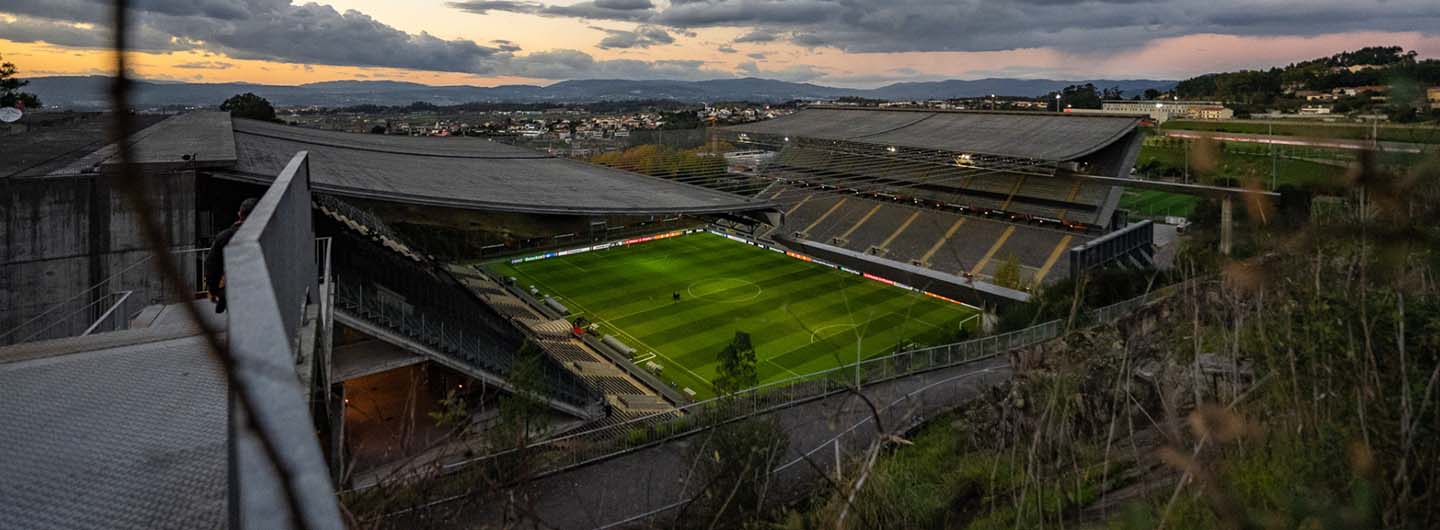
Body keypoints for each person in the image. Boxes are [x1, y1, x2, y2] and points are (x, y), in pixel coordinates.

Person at [205, 198, 258, 314]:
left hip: (235, 290)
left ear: (239, 214)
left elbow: (212, 265)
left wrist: (213, 290)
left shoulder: (225, 236)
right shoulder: (265, 233)